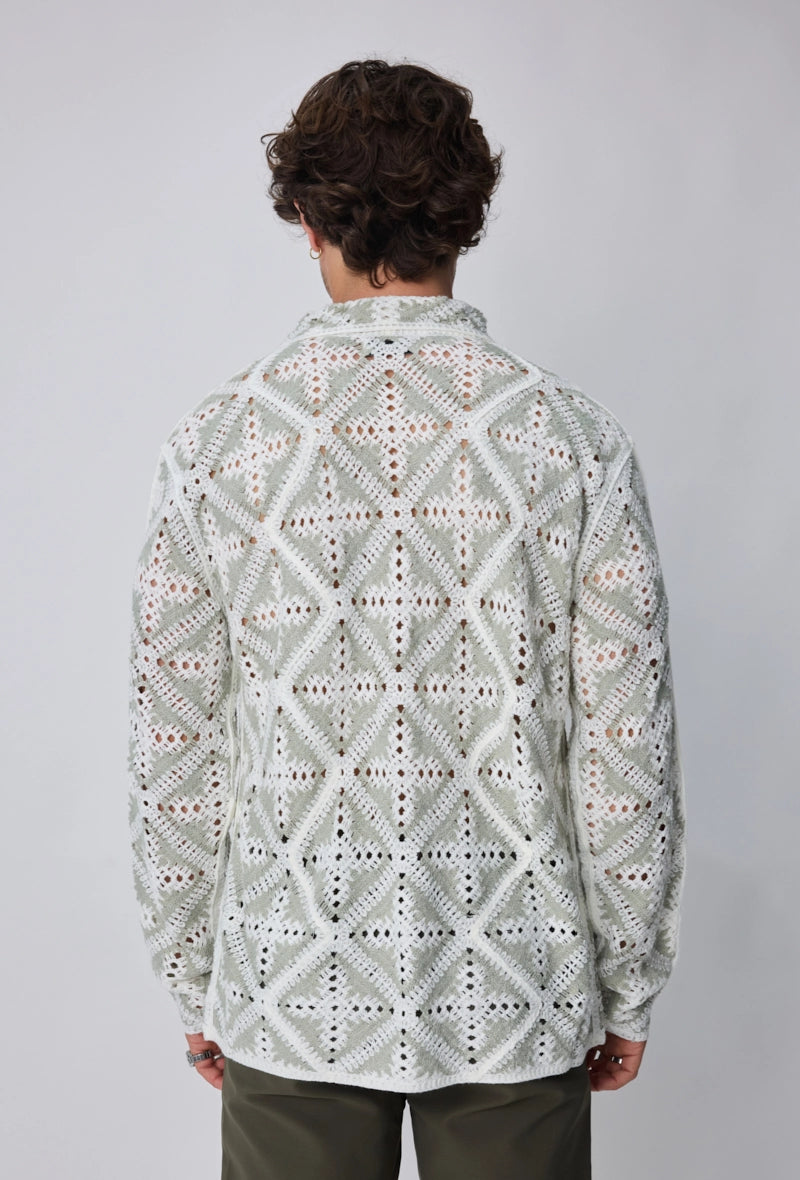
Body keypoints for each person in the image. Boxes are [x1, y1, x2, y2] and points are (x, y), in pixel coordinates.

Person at [127, 58, 687, 1180]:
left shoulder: (216, 443)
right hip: (519, 985)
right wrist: (625, 981)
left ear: (305, 219)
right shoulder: (573, 440)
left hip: (286, 981)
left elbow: (174, 749)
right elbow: (626, 750)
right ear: (466, 216)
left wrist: (197, 976)